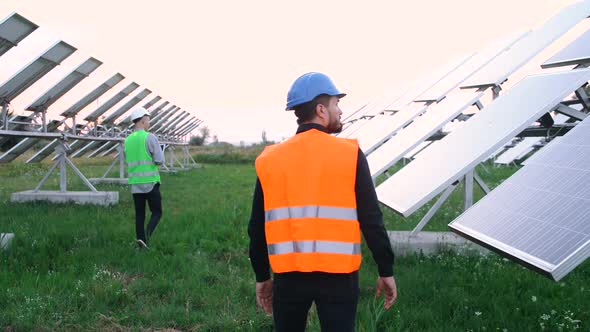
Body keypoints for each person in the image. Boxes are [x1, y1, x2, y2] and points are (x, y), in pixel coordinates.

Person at [248, 72, 397, 331]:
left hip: (288, 276)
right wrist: (385, 269)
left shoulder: (270, 159)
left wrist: (262, 275)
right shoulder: (350, 155)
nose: (339, 111)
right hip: (339, 277)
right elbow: (371, 219)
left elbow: (256, 226)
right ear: (320, 109)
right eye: (335, 104)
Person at [124, 107, 165, 249]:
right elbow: (159, 160)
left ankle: (140, 241)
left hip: (135, 184)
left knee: (140, 214)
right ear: (142, 120)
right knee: (157, 212)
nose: (149, 123)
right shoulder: (150, 137)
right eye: (148, 120)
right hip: (151, 183)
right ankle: (146, 238)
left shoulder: (127, 140)